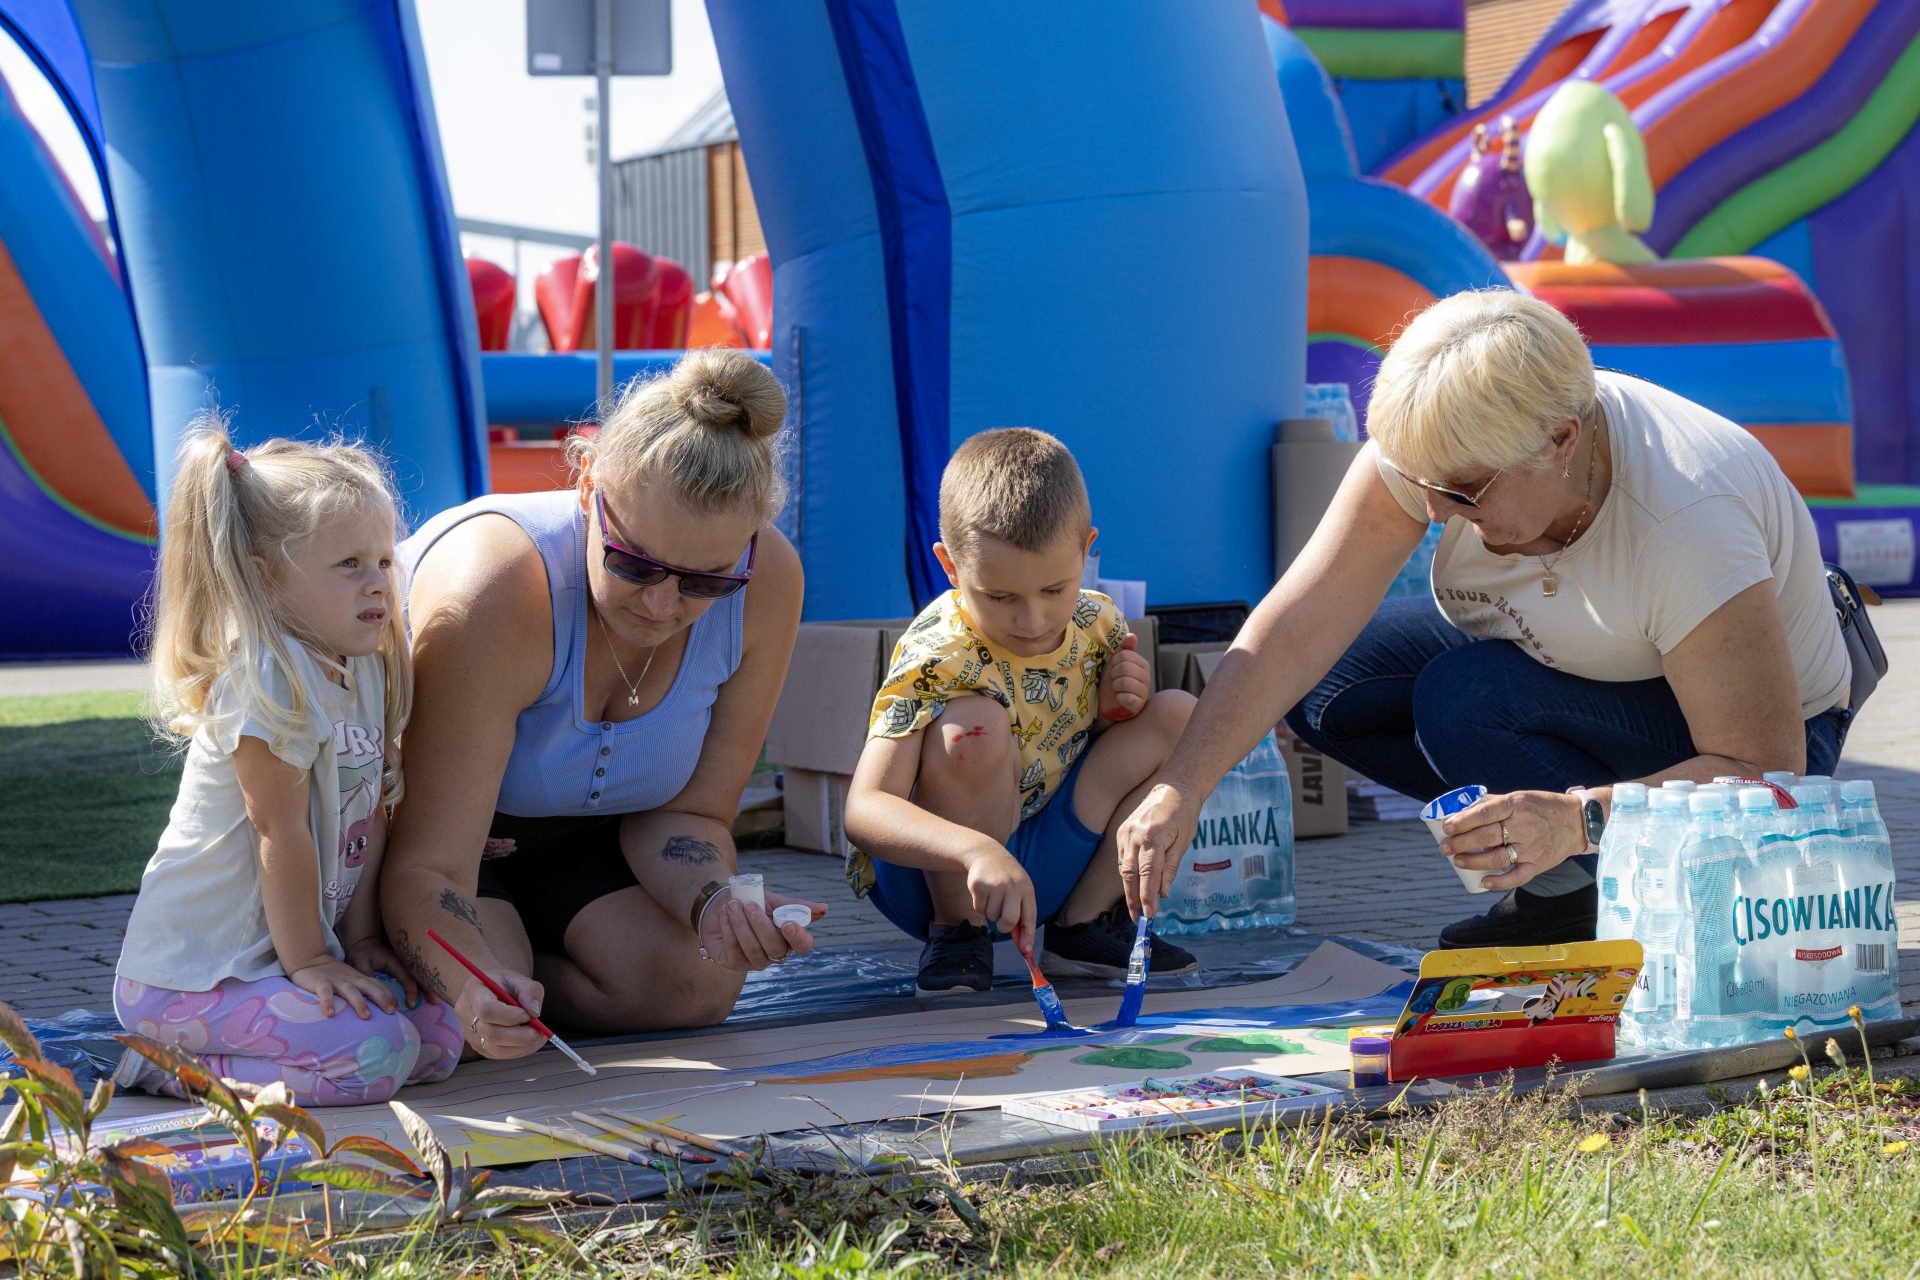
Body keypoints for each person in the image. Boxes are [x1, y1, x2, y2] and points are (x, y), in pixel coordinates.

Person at [1117, 290, 1852, 947]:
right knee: (1327, 683)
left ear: (1562, 440)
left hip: (1756, 740)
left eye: (1464, 492)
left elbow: (1766, 776)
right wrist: (1181, 786)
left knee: (1465, 697)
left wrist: (1579, 819)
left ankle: (1616, 878)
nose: (1435, 513)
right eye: (1420, 485)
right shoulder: (1447, 442)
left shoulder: (1688, 518)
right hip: (1581, 661)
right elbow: (1297, 626)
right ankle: (1571, 891)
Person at [383, 350, 816, 1062]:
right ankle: (513, 967)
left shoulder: (769, 578)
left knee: (696, 983)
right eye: (634, 563)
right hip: (431, 844)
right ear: (587, 484)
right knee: (475, 1005)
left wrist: (718, 902)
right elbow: (427, 865)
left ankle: (527, 972)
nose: (662, 606)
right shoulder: (494, 587)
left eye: (707, 582)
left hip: (582, 839)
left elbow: (693, 816)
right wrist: (472, 985)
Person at [114, 428, 459, 1106]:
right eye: (349, 564)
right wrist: (313, 961)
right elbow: (280, 830)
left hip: (278, 960)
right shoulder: (268, 678)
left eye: (384, 561)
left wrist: (361, 939)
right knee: (375, 1058)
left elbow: (366, 814)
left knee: (440, 1034)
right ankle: (161, 1066)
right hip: (192, 977)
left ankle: (261, 1038)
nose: (378, 582)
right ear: (265, 577)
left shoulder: (363, 666)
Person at [843, 428, 1199, 994]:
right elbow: (865, 810)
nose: (1033, 621)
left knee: (1181, 716)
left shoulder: (1098, 623)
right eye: (1001, 597)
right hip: (937, 873)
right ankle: (956, 933)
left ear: (1086, 551)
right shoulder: (936, 652)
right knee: (974, 728)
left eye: (1055, 590)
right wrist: (973, 850)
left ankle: (1083, 925)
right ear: (951, 566)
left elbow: (1084, 746)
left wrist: (1110, 713)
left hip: (1045, 862)